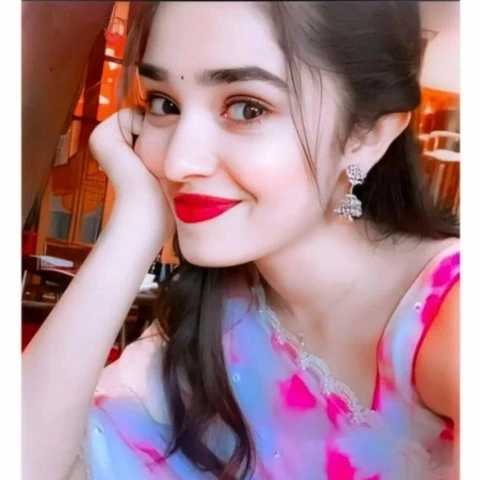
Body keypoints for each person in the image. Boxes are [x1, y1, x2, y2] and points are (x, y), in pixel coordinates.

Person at [22, 2, 460, 479]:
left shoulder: (450, 313)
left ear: (366, 136)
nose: (178, 162)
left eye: (247, 108)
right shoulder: (220, 311)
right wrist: (136, 223)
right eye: (164, 104)